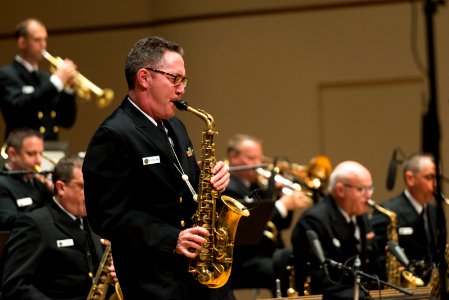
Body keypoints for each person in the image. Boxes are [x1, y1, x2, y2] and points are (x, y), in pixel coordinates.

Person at [82, 36, 233, 299]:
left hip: (200, 272)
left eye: (183, 80)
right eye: (175, 79)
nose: (181, 89)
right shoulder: (114, 134)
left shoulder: (175, 125)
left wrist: (211, 181)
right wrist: (170, 238)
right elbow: (106, 216)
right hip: (154, 279)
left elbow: (181, 185)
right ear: (144, 78)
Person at [1, 155, 108, 300]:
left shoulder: (94, 222)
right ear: (61, 187)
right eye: (83, 186)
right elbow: (14, 285)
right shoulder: (34, 224)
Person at [224, 133, 312, 293]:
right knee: (287, 268)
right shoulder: (227, 186)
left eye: (259, 159)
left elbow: (280, 225)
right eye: (251, 158)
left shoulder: (256, 184)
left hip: (266, 253)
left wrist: (278, 195)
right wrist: (281, 205)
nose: (258, 164)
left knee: (301, 258)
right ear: (233, 157)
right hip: (242, 260)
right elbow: (250, 225)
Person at [291, 160, 381, 299]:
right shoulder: (313, 222)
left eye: (370, 189)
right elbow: (320, 281)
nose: (368, 196)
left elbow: (372, 260)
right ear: (340, 190)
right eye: (362, 189)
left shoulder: (360, 216)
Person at [0, 18, 77, 141]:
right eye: (37, 40)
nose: (43, 45)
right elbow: (17, 109)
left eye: (45, 39)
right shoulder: (6, 74)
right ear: (22, 42)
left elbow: (66, 121)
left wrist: (68, 90)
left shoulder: (46, 77)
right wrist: (56, 82)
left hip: (51, 147)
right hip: (22, 149)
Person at [371, 153, 437, 284]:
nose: (435, 184)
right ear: (410, 178)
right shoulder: (387, 211)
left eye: (437, 178)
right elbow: (375, 255)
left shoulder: (433, 210)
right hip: (402, 287)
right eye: (429, 177)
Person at [0, 127, 53, 231]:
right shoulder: (2, 183)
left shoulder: (40, 182)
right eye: (31, 154)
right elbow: (9, 221)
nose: (39, 160)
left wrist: (55, 194)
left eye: (40, 154)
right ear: (12, 154)